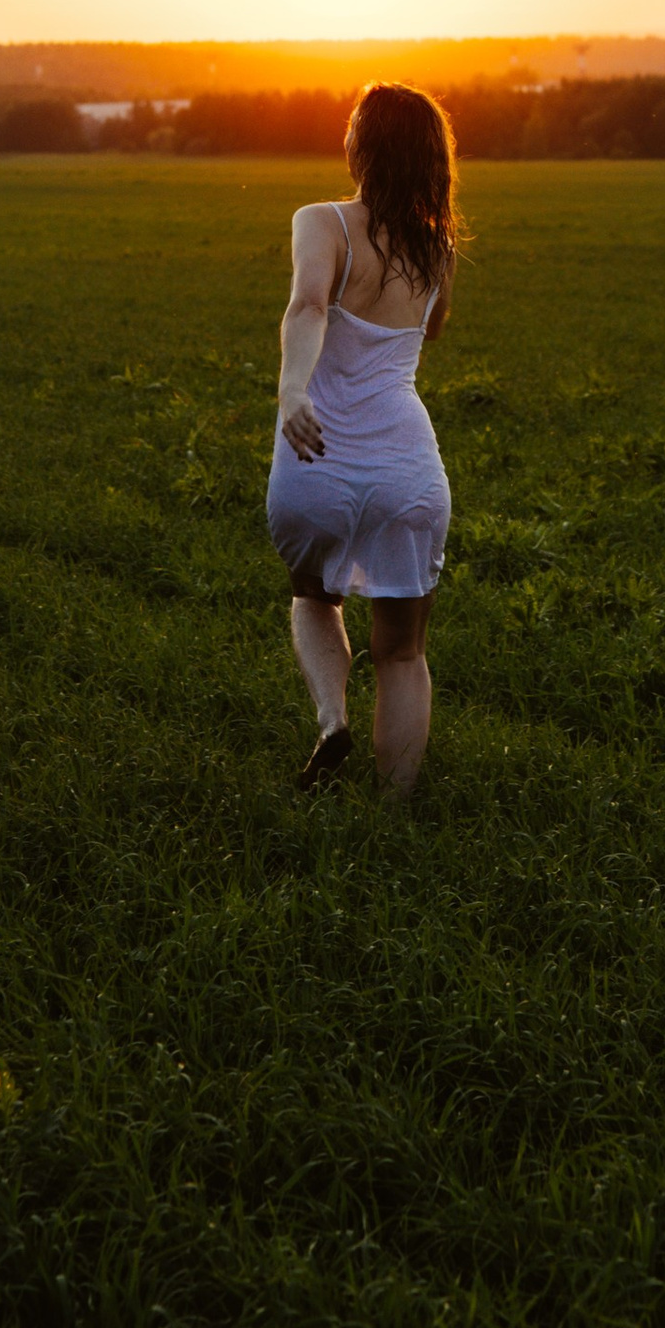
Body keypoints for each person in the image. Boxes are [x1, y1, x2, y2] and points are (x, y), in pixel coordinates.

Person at [268, 82, 461, 800]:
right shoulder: (437, 248)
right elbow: (432, 330)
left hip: (317, 455)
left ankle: (329, 719)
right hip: (408, 468)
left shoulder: (321, 221)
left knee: (313, 597)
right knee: (404, 652)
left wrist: (294, 392)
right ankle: (397, 814)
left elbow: (308, 304)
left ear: (360, 147)